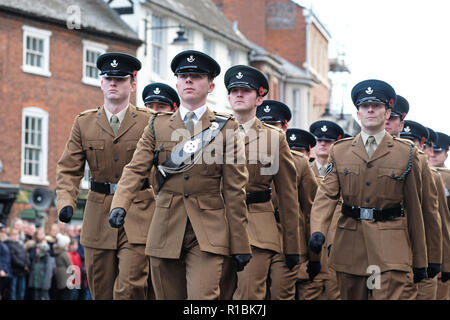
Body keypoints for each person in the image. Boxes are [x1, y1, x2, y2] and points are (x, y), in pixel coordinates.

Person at [109, 50, 252, 300]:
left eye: (196, 76)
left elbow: (235, 191)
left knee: (202, 299)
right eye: (183, 76)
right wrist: (120, 203)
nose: (188, 80)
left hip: (207, 231)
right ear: (176, 82)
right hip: (165, 227)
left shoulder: (226, 128)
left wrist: (240, 243)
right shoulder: (157, 125)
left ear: (211, 85)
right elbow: (135, 169)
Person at [308, 79, 428, 300]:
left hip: (390, 247)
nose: (370, 110)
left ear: (387, 112)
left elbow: (415, 211)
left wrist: (420, 260)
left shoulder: (407, 154)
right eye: (365, 106)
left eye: (377, 106)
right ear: (358, 112)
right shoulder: (341, 151)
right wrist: (318, 231)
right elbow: (326, 195)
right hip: (351, 246)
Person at [56, 52, 155, 300]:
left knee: (130, 288)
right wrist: (66, 201)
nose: (113, 83)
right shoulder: (84, 123)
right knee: (101, 290)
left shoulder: (149, 122)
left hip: (138, 212)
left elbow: (163, 169)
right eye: (108, 78)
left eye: (120, 79)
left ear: (132, 85)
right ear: (101, 82)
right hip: (98, 214)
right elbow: (69, 168)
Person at [222, 66, 300, 300]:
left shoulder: (274, 138)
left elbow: (288, 196)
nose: (238, 94)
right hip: (218, 223)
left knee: (248, 297)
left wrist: (292, 246)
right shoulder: (213, 132)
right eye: (233, 90)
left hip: (256, 225)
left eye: (245, 90)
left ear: (259, 98)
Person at [253, 99, 316, 300]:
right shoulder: (245, 158)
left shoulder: (300, 163)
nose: (269, 130)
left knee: (282, 295)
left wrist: (313, 256)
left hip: (287, 238)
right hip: (255, 234)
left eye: (274, 125)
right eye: (264, 125)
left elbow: (310, 211)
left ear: (284, 127)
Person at [400, 121, 450, 300]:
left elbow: (440, 222)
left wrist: (443, 263)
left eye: (412, 142)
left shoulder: (438, 177)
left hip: (424, 255)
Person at [426, 130, 450, 299]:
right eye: (431, 149)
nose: (433, 154)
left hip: (443, 249)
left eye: (438, 151)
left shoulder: (446, 178)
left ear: (446, 153)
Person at [5, 229, 30, 300]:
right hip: (14, 271)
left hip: (22, 272)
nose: (15, 237)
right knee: (13, 290)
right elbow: (13, 258)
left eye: (16, 235)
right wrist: (24, 266)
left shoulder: (20, 245)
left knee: (21, 290)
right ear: (10, 236)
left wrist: (27, 264)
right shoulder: (8, 245)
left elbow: (26, 255)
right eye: (13, 235)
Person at [0, 223, 11, 300]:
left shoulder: (3, 243)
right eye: (2, 231)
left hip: (5, 271)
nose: (4, 234)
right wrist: (1, 269)